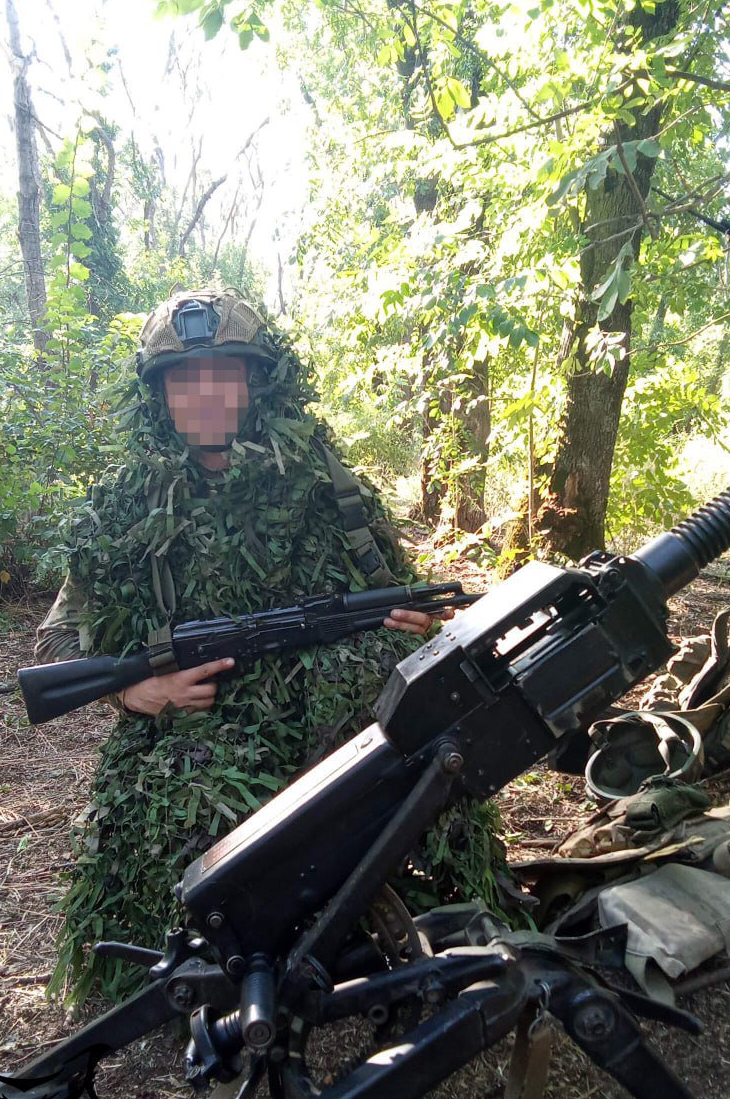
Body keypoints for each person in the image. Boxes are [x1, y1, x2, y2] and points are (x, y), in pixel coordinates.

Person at [38, 289, 507, 1003]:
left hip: (329, 715)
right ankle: (205, 981)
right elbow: (61, 638)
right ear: (157, 393)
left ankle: (377, 936)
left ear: (257, 381)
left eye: (223, 373)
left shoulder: (327, 483)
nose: (204, 394)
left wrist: (421, 627)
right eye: (183, 379)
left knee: (415, 779)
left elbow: (401, 595)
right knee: (189, 818)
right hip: (198, 720)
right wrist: (134, 690)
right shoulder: (122, 506)